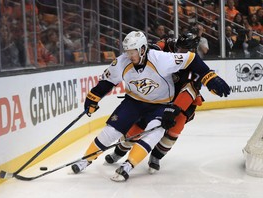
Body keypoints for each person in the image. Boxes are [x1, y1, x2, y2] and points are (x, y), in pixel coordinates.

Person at [71, 31, 230, 182]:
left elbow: (192, 61)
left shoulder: (161, 59)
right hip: (134, 102)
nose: (129, 55)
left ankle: (130, 164)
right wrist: (93, 98)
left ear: (141, 49)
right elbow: (107, 81)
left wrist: (210, 78)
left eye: (132, 51)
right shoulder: (123, 61)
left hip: (162, 104)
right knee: (112, 130)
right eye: (127, 51)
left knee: (159, 130)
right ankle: (86, 160)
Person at [104, 33, 213, 173]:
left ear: (192, 51)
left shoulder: (194, 66)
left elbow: (189, 91)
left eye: (184, 51)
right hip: (158, 94)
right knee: (139, 125)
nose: (179, 53)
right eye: (178, 48)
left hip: (180, 100)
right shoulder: (167, 44)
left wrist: (175, 109)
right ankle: (119, 152)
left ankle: (156, 157)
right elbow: (150, 51)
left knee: (174, 129)